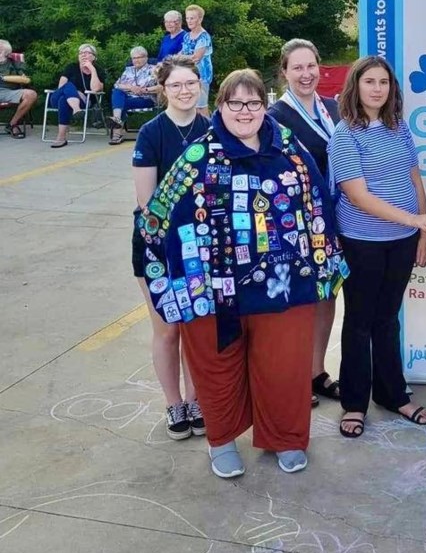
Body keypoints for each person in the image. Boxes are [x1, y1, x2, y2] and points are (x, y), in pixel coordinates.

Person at [138, 68, 348, 478]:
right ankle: (221, 441)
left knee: (284, 366)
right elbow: (160, 212)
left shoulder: (289, 150)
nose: (245, 111)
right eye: (236, 102)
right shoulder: (197, 156)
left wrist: (323, 266)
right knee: (217, 367)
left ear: (265, 106)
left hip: (284, 286)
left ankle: (285, 436)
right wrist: (167, 272)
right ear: (220, 107)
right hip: (214, 290)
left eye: (253, 102)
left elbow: (318, 205)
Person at [328, 56, 426, 439]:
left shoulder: (399, 128)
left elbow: (414, 180)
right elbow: (357, 196)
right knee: (359, 322)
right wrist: (412, 221)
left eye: (384, 82)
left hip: (402, 243)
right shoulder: (345, 134)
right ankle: (354, 404)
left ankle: (392, 395)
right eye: (370, 81)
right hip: (363, 242)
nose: (378, 88)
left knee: (388, 319)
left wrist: (422, 231)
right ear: (355, 87)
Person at [132, 55, 209, 439]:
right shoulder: (151, 133)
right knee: (167, 329)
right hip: (157, 246)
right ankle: (173, 403)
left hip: (202, 247)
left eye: (190, 83)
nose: (184, 90)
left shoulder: (212, 129)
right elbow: (147, 202)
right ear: (164, 90)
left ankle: (196, 399)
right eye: (176, 85)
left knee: (195, 327)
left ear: (200, 85)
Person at [269, 38, 342, 406]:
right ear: (284, 73)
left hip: (334, 221)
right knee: (300, 303)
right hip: (297, 226)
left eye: (310, 65)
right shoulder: (276, 118)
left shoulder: (334, 108)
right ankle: (294, 375)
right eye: (297, 67)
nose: (306, 73)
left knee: (327, 297)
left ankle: (316, 371)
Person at [49, 42, 107, 148]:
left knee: (64, 101)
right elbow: (61, 86)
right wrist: (75, 92)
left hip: (83, 101)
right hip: (56, 99)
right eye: (81, 53)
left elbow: (96, 89)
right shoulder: (71, 67)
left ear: (94, 57)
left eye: (87, 53)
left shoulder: (98, 70)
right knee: (68, 86)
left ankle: (61, 138)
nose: (83, 55)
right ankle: (76, 110)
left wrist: (92, 69)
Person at [107, 46, 160, 144]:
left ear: (146, 57)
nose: (136, 60)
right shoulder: (129, 70)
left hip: (146, 98)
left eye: (139, 57)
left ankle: (117, 132)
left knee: (120, 103)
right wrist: (131, 87)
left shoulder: (154, 69)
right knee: (117, 92)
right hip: (128, 97)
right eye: (134, 58)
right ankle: (117, 119)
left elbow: (162, 86)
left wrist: (145, 89)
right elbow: (117, 84)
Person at [0, 39, 38, 139]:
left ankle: (12, 124)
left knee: (31, 94)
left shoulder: (15, 63)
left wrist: (4, 78)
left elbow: (26, 80)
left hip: (10, 92)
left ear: (6, 50)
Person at [181, 4, 213, 117]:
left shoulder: (204, 36)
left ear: (200, 19)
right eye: (187, 18)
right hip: (187, 75)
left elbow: (196, 57)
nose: (189, 21)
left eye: (192, 18)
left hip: (202, 76)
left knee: (201, 107)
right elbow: (182, 53)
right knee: (191, 107)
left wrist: (179, 58)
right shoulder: (186, 36)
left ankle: (210, 131)